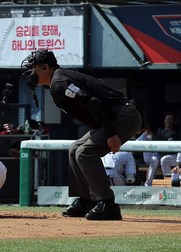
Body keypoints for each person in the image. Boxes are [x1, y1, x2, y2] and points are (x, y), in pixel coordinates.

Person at [21, 49, 144, 221]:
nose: (30, 72)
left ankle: (108, 204)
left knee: (85, 152)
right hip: (115, 116)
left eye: (33, 68)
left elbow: (93, 103)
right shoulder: (59, 78)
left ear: (44, 66)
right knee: (74, 149)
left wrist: (111, 134)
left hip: (124, 117)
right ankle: (87, 200)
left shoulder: (59, 82)